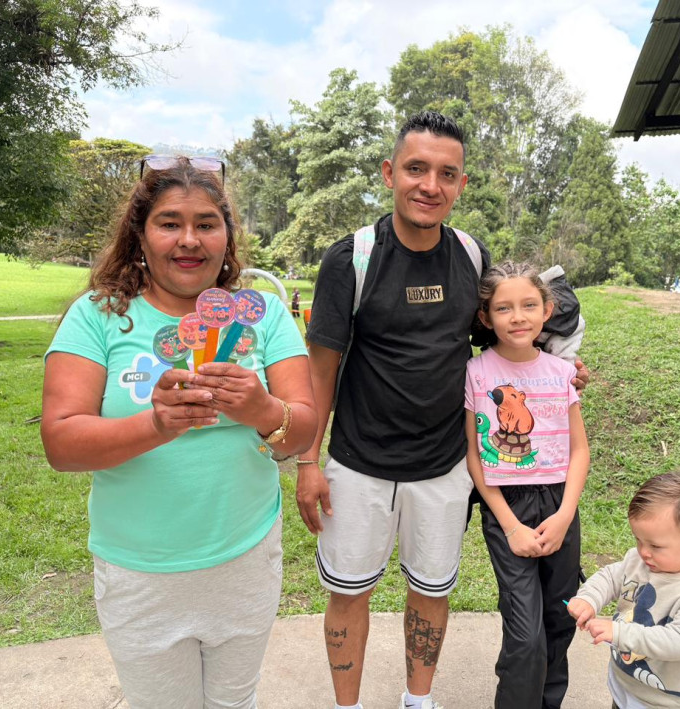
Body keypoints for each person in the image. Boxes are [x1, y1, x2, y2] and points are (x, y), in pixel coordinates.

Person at [298, 111, 589, 709]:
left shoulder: (470, 255)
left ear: (460, 184)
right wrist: (308, 459)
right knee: (349, 593)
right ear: (389, 173)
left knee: (430, 590)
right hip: (359, 463)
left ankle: (418, 700)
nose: (430, 185)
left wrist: (556, 367)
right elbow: (320, 370)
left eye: (446, 173)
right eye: (416, 169)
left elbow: (501, 343)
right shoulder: (351, 258)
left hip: (446, 465)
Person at [40, 155, 316, 709]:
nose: (189, 240)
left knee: (236, 703)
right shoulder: (98, 316)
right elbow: (61, 443)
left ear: (226, 238)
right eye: (169, 223)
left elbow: (301, 432)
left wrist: (261, 408)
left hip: (244, 558)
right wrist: (156, 424)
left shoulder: (260, 314)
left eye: (206, 224)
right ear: (140, 234)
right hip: (140, 571)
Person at [465, 261, 590, 709]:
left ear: (547, 311)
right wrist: (510, 525)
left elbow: (579, 451)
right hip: (507, 507)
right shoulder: (477, 373)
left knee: (559, 621)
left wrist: (564, 516)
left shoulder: (562, 374)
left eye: (528, 305)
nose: (517, 316)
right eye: (504, 308)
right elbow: (476, 457)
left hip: (559, 503)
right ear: (486, 317)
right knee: (525, 634)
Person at [566, 472, 680, 709]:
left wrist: (619, 633)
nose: (644, 552)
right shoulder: (640, 562)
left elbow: (679, 641)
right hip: (627, 685)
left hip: (668, 700)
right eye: (639, 540)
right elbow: (611, 577)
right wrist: (589, 598)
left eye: (655, 546)